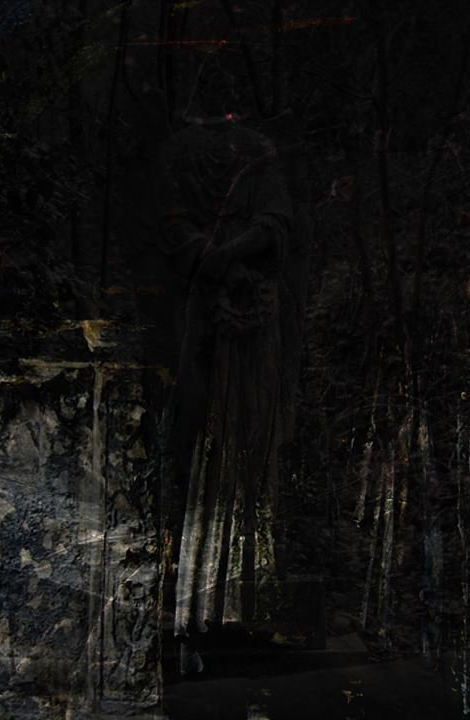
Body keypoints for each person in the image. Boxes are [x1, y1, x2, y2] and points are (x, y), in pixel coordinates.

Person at [155, 115, 293, 675]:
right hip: (208, 317)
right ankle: (201, 599)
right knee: (202, 435)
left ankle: (244, 599)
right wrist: (217, 260)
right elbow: (172, 228)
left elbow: (275, 225)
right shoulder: (182, 152)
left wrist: (228, 255)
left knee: (251, 437)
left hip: (253, 314)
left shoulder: (259, 152)